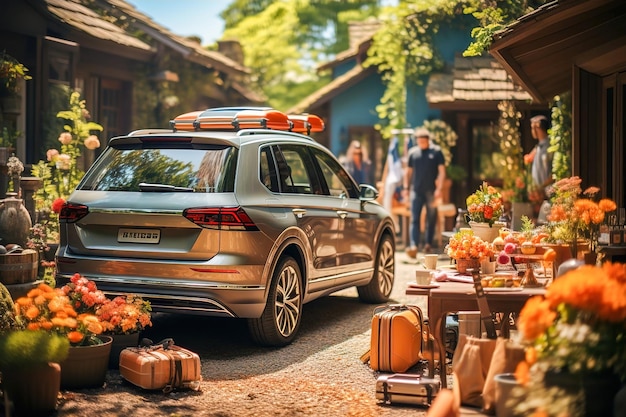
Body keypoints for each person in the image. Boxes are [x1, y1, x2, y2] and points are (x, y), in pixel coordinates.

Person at [403, 128, 446, 257]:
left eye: (423, 141)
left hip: (431, 191)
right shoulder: (413, 153)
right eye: (419, 141)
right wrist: (406, 188)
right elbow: (408, 172)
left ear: (428, 140)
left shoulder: (436, 152)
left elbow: (442, 172)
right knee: (414, 218)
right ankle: (414, 246)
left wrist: (439, 189)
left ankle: (428, 244)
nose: (421, 143)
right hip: (416, 191)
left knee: (431, 218)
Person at [524, 115, 554, 200]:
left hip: (547, 192)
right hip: (539, 194)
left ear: (537, 128)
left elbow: (553, 172)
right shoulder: (539, 147)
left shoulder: (548, 147)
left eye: (533, 128)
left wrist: (541, 186)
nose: (532, 131)